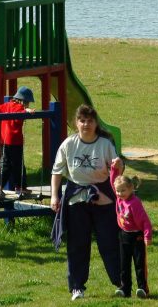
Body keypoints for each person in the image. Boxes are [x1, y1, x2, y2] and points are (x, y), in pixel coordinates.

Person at [51, 104, 123, 301]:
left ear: (95, 123)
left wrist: (119, 165)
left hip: (103, 195)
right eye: (82, 121)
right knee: (77, 244)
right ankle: (77, 286)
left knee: (109, 241)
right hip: (76, 197)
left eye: (90, 121)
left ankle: (121, 283)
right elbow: (57, 171)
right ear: (76, 123)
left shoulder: (105, 144)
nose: (86, 124)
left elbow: (117, 169)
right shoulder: (68, 144)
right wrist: (54, 196)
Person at [110, 162, 153, 299]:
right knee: (124, 264)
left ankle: (142, 288)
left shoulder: (135, 203)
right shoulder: (119, 198)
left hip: (137, 237)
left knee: (139, 264)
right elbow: (113, 181)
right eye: (118, 191)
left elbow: (145, 221)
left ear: (131, 189)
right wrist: (114, 168)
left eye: (123, 190)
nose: (119, 193)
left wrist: (147, 236)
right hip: (124, 236)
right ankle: (125, 289)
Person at [0, 86, 35, 193]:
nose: (28, 105)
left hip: (4, 141)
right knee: (18, 165)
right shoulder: (20, 108)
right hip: (15, 142)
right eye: (28, 103)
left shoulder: (7, 105)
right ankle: (20, 187)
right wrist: (27, 111)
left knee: (5, 164)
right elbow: (20, 114)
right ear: (23, 101)